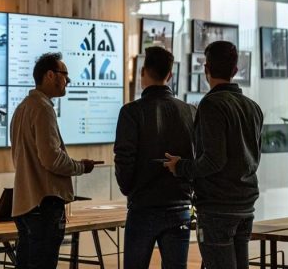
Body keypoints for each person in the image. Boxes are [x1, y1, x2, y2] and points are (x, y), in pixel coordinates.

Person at [163, 41, 264, 269]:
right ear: (235, 70)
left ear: (206, 69)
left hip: (218, 208)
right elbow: (254, 158)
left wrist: (180, 166)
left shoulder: (211, 104)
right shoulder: (253, 107)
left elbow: (213, 161)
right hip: (245, 205)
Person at [10, 52, 98, 268]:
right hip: (45, 204)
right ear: (50, 75)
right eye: (64, 74)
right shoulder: (43, 108)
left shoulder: (22, 108)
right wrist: (81, 167)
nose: (68, 80)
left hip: (26, 204)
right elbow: (51, 159)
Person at [114, 46, 196, 269]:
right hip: (180, 206)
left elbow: (124, 157)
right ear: (170, 75)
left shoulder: (131, 112)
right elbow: (197, 158)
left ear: (143, 71)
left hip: (143, 206)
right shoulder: (190, 112)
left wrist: (128, 189)